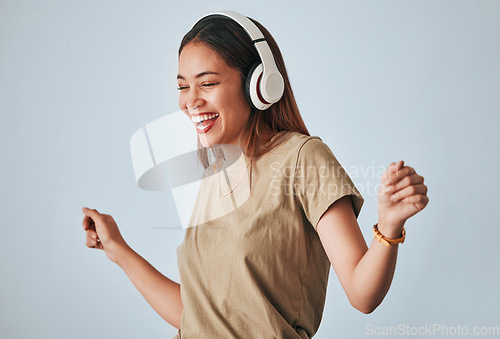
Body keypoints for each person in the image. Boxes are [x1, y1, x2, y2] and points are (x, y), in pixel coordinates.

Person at [81, 11, 429, 338]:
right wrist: (118, 249)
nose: (191, 101)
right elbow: (197, 313)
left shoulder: (302, 158)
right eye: (183, 87)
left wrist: (389, 226)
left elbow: (361, 294)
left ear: (259, 85)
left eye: (208, 83)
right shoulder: (212, 171)